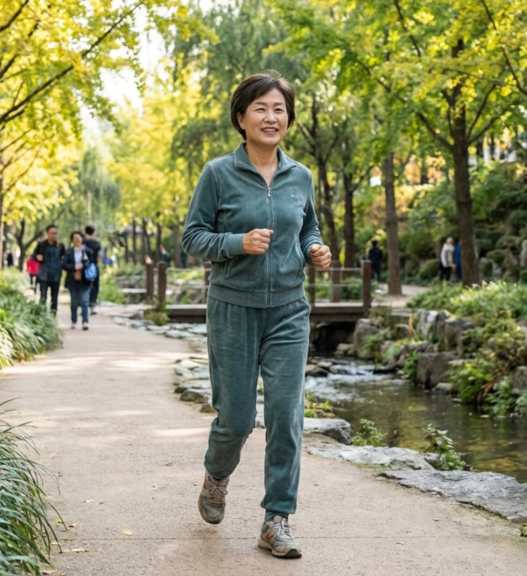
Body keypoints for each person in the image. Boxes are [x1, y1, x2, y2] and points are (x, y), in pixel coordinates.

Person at [181, 72, 331, 559]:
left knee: (287, 415)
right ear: (241, 117)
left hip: (289, 308)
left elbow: (306, 226)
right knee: (237, 419)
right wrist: (236, 244)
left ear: (289, 118)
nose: (272, 117)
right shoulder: (218, 173)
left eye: (280, 109)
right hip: (233, 309)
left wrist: (315, 248)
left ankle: (276, 519)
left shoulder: (301, 175)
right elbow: (192, 238)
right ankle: (216, 476)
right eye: (261, 108)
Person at [63, 231, 95, 330]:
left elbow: (91, 263)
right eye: (75, 238)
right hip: (72, 280)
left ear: (82, 238)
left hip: (85, 280)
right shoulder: (68, 252)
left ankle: (85, 321)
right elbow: (64, 265)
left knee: (85, 301)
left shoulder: (88, 251)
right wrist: (74, 266)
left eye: (79, 237)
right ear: (72, 240)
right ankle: (74, 321)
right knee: (74, 302)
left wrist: (82, 266)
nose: (77, 239)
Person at [33, 225, 65, 313]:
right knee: (43, 296)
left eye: (56, 233)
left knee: (54, 297)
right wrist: (37, 256)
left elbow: (64, 258)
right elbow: (33, 256)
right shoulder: (41, 245)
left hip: (56, 275)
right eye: (52, 233)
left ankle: (53, 316)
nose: (54, 235)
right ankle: (42, 315)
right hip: (43, 275)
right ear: (48, 233)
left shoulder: (60, 246)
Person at [84, 225, 103, 314]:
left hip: (84, 266)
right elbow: (99, 255)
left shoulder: (82, 241)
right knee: (95, 286)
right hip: (93, 266)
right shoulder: (96, 242)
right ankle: (92, 305)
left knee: (84, 286)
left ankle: (85, 305)